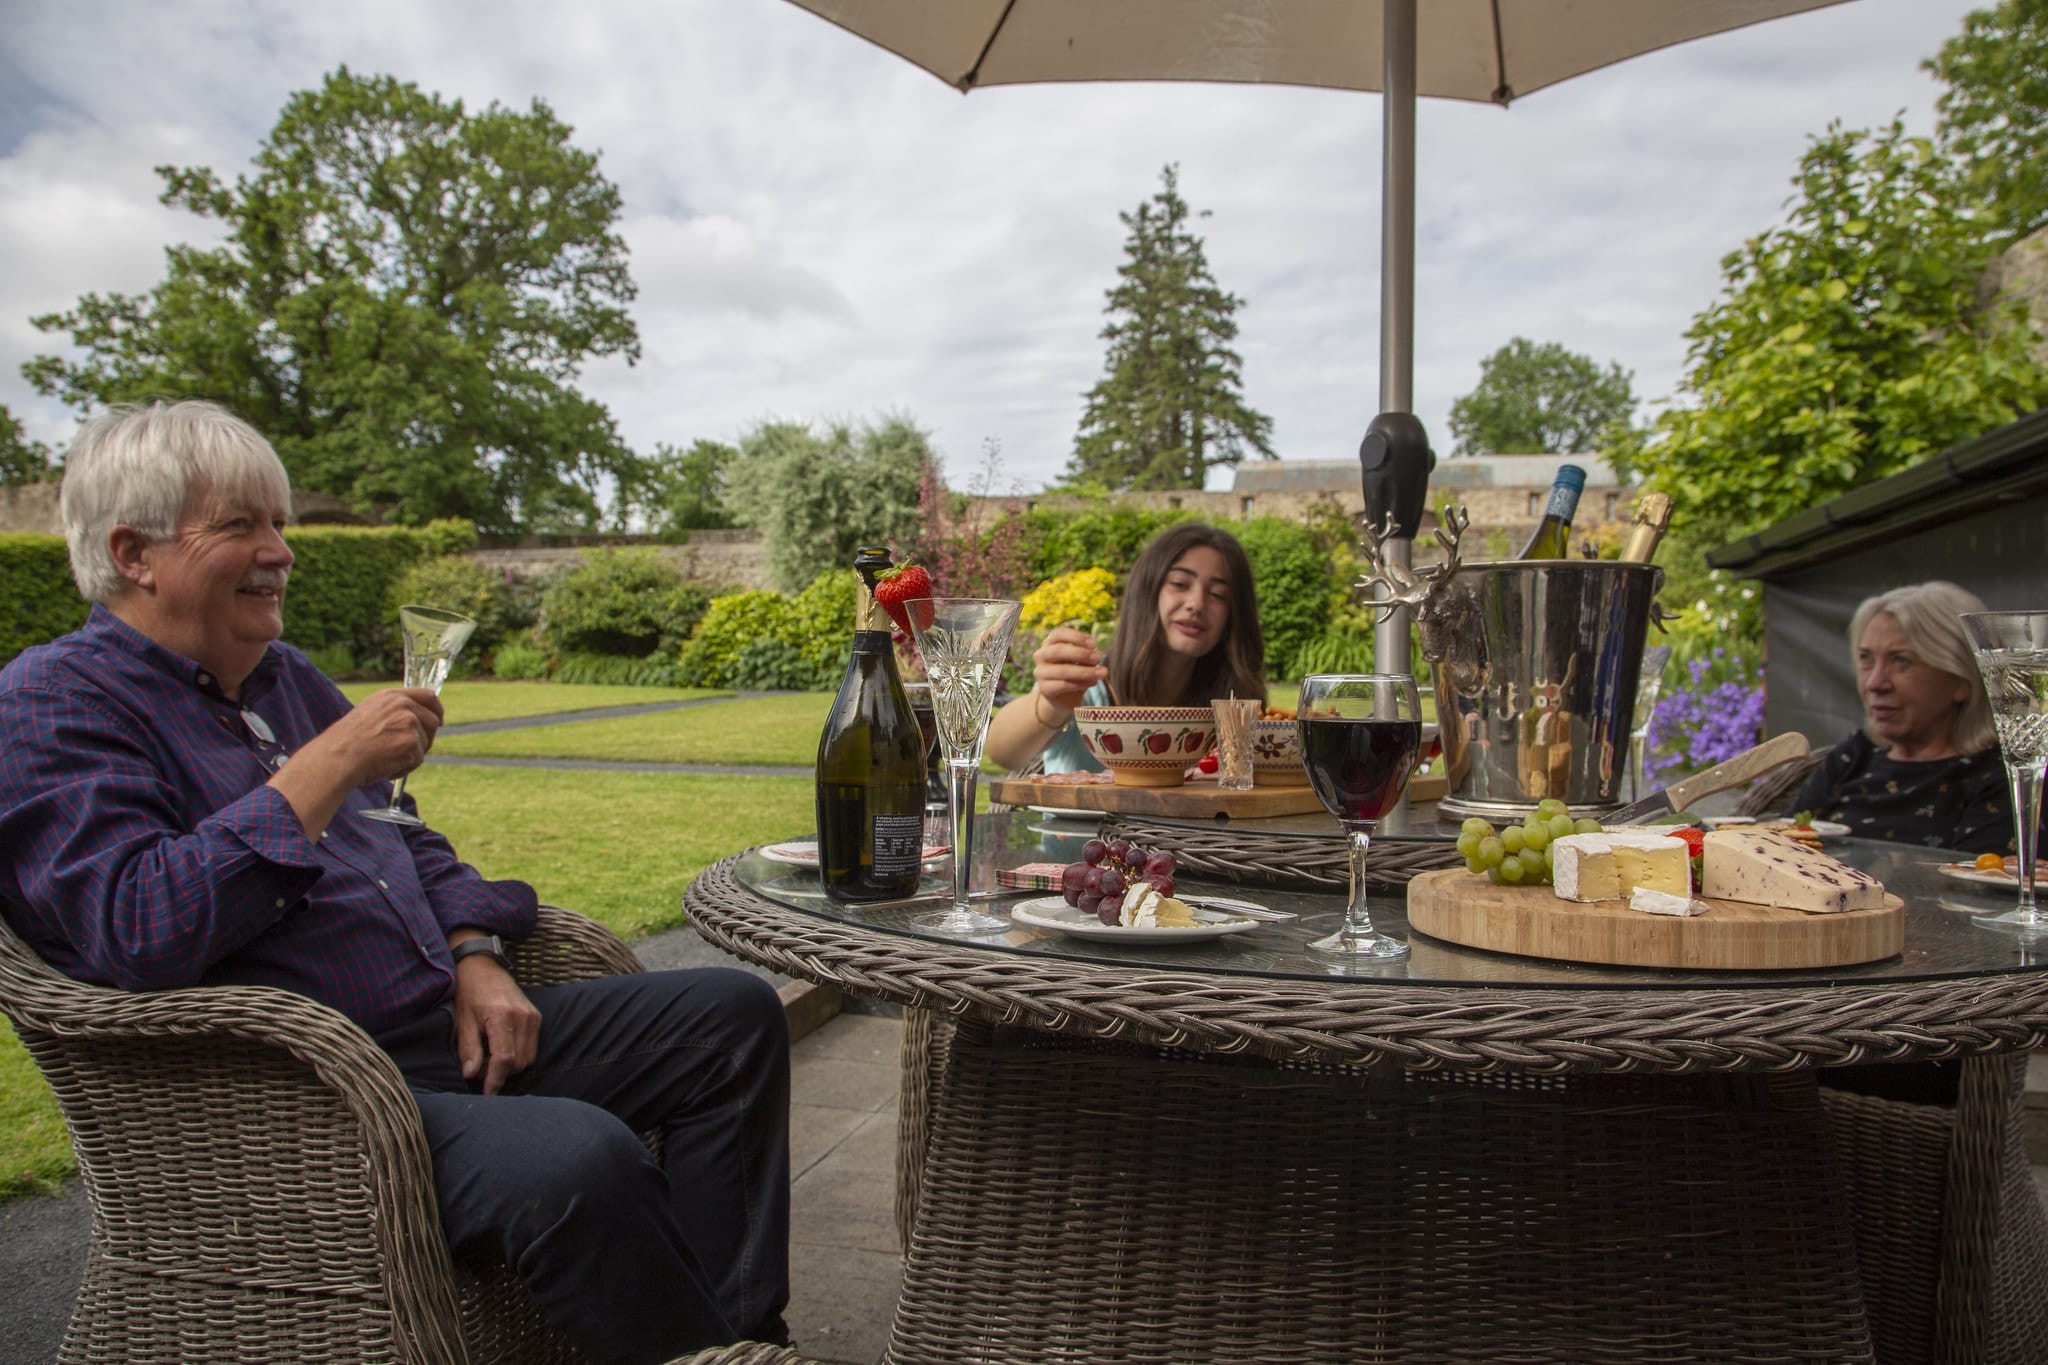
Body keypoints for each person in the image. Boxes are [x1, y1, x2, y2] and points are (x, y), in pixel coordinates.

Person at [0, 401, 789, 1365]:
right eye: (241, 524)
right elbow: (137, 923)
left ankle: (734, 1339)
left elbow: (403, 833)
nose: (281, 550)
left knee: (730, 1019)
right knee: (580, 1158)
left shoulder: (282, 677)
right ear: (134, 553)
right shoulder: (51, 704)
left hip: (432, 1031)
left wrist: (474, 951)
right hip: (290, 1100)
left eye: (280, 522)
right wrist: (327, 763)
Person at [986, 521, 1266, 775]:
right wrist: (1050, 705)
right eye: (1180, 584)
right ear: (1147, 591)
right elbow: (1001, 752)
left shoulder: (1234, 709)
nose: (1197, 603)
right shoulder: (1087, 685)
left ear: (1234, 615)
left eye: (1218, 594)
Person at [1789, 579, 2030, 855]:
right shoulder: (1853, 758)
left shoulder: (2000, 779)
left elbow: (1984, 880)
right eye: (1866, 659)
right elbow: (1780, 847)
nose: (1875, 683)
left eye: (1901, 660)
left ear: (1962, 679)